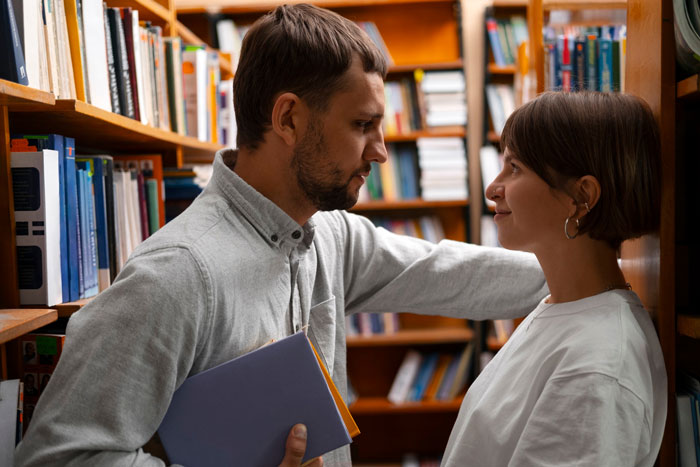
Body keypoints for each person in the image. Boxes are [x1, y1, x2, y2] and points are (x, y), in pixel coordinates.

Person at [15, 4, 547, 466]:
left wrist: (601, 271)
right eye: (363, 125)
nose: (381, 151)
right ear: (288, 119)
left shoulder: (328, 232)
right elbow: (58, 459)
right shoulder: (177, 274)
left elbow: (446, 272)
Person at [439, 91, 667, 466]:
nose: (492, 188)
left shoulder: (597, 366)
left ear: (581, 197)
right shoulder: (564, 309)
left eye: (515, 168)